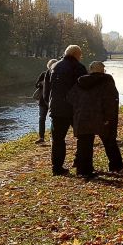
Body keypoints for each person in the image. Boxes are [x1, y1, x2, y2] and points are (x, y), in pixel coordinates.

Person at [67, 61, 123, 178]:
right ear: (102, 70)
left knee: (84, 144)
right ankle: (116, 165)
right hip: (101, 117)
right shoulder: (107, 81)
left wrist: (79, 109)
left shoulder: (80, 81)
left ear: (90, 69)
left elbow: (70, 98)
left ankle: (83, 170)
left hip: (83, 116)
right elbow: (111, 101)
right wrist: (108, 117)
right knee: (109, 141)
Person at [43, 45, 88, 176]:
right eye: (80, 55)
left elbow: (46, 91)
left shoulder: (53, 67)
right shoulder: (79, 68)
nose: (80, 57)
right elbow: (84, 89)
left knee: (58, 139)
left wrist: (50, 104)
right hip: (75, 109)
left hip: (57, 109)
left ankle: (57, 168)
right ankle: (79, 163)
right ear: (76, 54)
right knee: (83, 136)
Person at [34, 59, 58, 144]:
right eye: (51, 64)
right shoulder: (43, 74)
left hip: (53, 100)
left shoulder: (57, 74)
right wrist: (42, 83)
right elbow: (36, 84)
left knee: (53, 119)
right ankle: (41, 137)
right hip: (43, 100)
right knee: (42, 118)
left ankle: (53, 136)